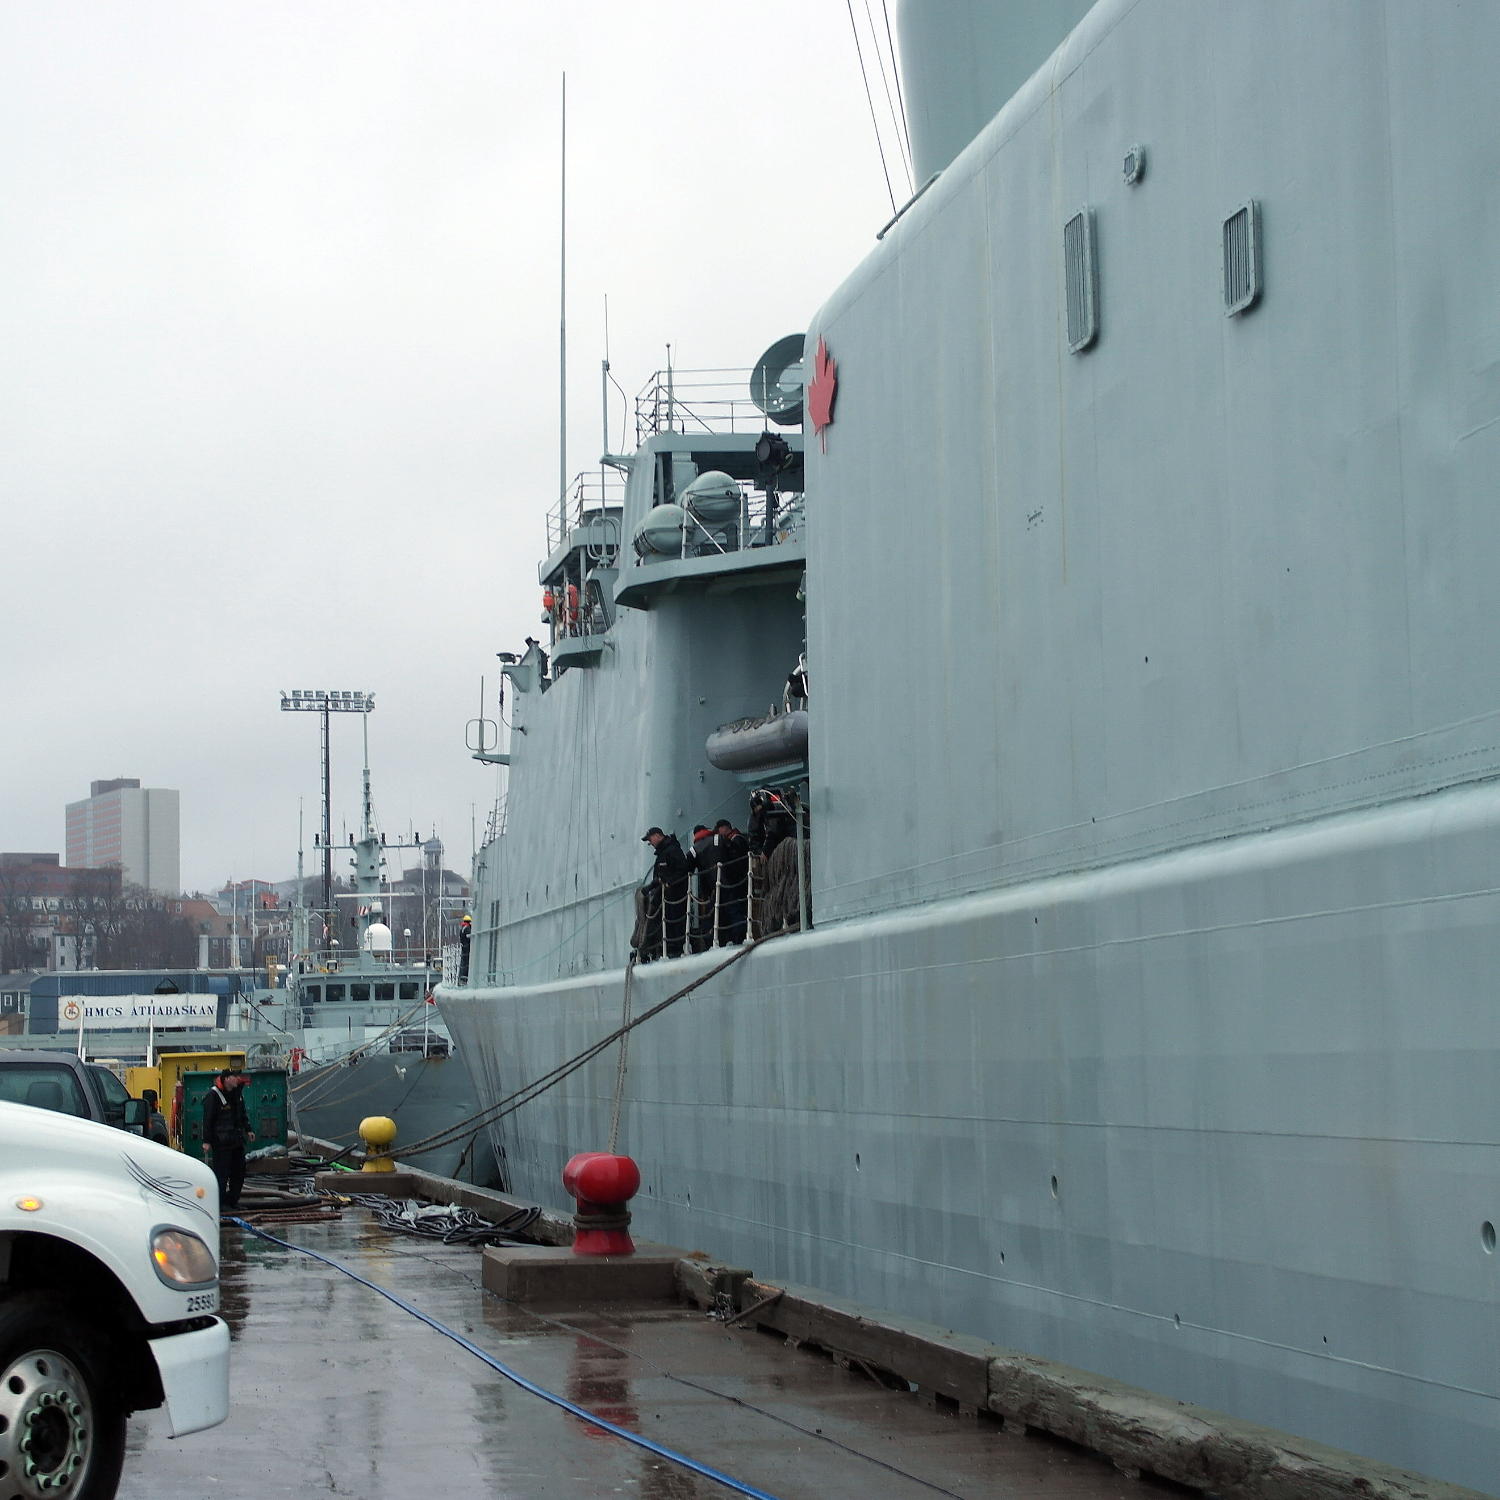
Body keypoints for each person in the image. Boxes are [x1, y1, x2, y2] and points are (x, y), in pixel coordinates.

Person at [202, 1069, 253, 1212]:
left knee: (239, 1171)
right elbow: (208, 1120)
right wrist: (206, 1141)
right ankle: (221, 1203)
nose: (238, 1079)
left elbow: (242, 1113)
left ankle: (233, 1201)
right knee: (222, 1173)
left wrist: (248, 1129)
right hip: (221, 1141)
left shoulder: (236, 1094)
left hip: (236, 1140)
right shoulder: (213, 1096)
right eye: (235, 1077)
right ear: (226, 1079)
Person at [641, 826, 691, 958]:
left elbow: (683, 869)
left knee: (675, 922)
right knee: (665, 923)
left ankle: (675, 948)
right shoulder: (664, 852)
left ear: (658, 836)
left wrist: (669, 882)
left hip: (675, 895)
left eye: (650, 839)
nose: (649, 843)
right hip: (665, 897)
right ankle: (663, 948)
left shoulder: (672, 850)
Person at [712, 818, 750, 943]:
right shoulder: (735, 840)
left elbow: (737, 860)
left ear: (725, 828)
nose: (719, 832)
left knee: (737, 909)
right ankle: (738, 934)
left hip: (738, 880)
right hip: (739, 880)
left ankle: (740, 935)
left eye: (719, 829)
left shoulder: (737, 840)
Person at [689, 824, 716, 951]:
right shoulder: (717, 840)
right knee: (728, 911)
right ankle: (734, 938)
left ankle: (710, 942)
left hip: (709, 887)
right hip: (726, 881)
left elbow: (688, 867)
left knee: (709, 917)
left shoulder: (695, 848)